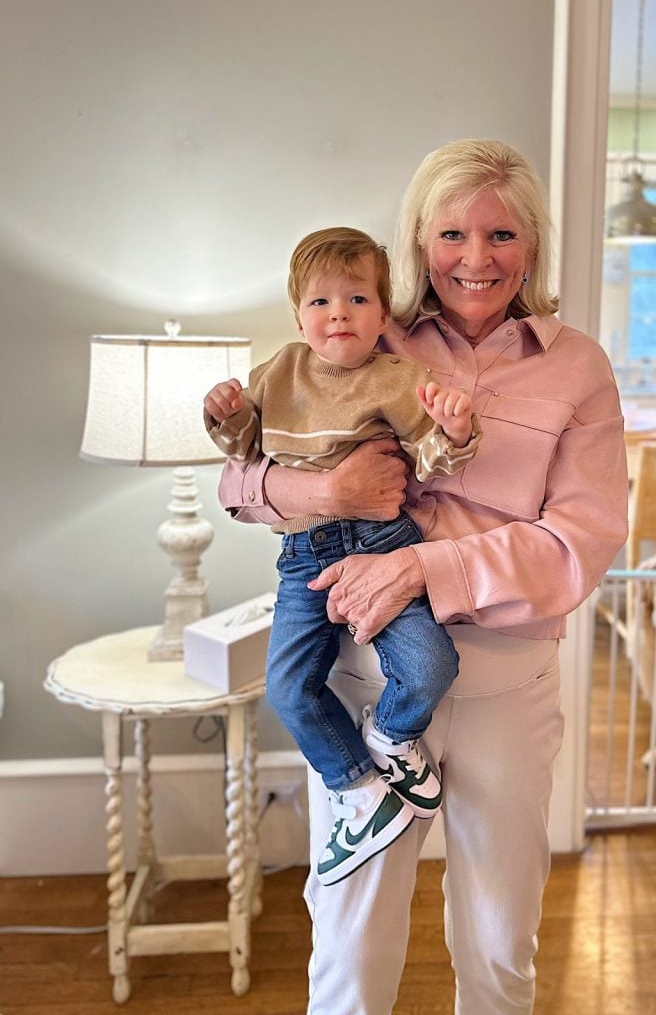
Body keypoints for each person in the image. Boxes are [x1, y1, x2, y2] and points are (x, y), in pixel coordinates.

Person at [209, 139, 628, 1014]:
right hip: (368, 681)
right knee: (351, 959)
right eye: (452, 234)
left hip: (509, 691)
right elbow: (239, 486)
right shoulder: (363, 332)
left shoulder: (578, 366)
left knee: (500, 950)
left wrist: (421, 568)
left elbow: (579, 543)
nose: (477, 259)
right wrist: (324, 489)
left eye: (502, 235)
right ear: (419, 241)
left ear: (533, 246)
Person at [203, 226, 482, 886]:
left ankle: (391, 736)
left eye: (357, 300)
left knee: (432, 664)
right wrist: (224, 414)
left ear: (382, 315)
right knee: (289, 688)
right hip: (304, 556)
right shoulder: (278, 373)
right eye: (322, 303)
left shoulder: (400, 378)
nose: (339, 316)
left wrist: (456, 427)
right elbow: (245, 453)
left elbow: (432, 463)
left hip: (385, 545)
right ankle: (356, 787)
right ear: (299, 315)